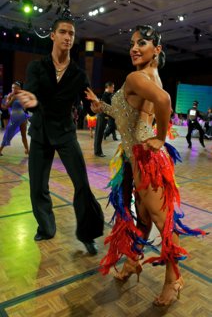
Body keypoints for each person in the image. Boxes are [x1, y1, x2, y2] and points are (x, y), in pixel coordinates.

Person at [85, 25, 206, 306]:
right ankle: (132, 261)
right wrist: (100, 107)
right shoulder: (149, 76)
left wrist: (161, 138)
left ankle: (173, 280)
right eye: (132, 43)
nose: (134, 47)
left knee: (164, 223)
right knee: (144, 218)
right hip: (135, 158)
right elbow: (127, 113)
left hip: (147, 160)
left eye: (142, 43)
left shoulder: (136, 76)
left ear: (157, 50)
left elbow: (164, 101)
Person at [16, 18, 104, 255]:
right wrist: (32, 103)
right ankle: (46, 227)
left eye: (72, 34)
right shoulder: (37, 67)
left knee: (82, 185)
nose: (68, 37)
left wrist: (93, 109)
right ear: (53, 35)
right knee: (37, 186)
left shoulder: (78, 74)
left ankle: (87, 234)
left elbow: (87, 105)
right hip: (42, 132)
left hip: (65, 133)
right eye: (63, 32)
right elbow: (31, 96)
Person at [0, 81, 29, 156]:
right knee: (8, 133)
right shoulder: (9, 96)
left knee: (24, 135)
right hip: (14, 119)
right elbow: (6, 106)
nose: (14, 89)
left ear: (19, 88)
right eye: (12, 87)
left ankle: (27, 150)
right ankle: (0, 149)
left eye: (16, 87)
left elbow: (25, 107)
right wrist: (11, 98)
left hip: (22, 118)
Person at [94, 81, 115, 157]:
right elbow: (105, 107)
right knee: (99, 135)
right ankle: (98, 152)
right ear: (108, 87)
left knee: (99, 134)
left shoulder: (107, 95)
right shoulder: (106, 95)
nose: (113, 89)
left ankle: (98, 151)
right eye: (112, 87)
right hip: (102, 117)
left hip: (103, 117)